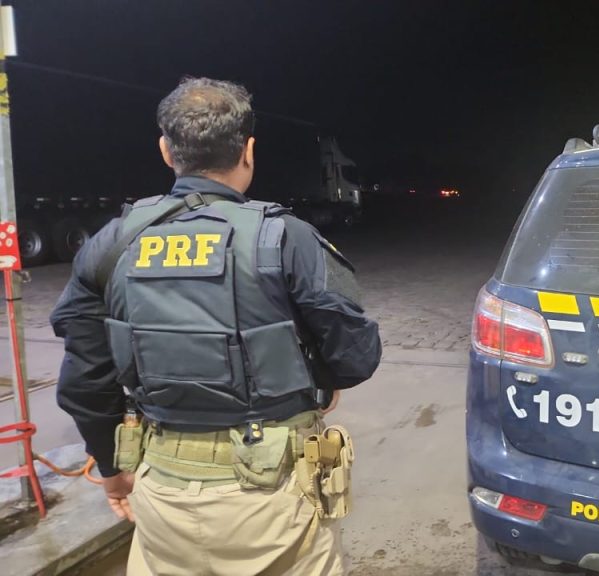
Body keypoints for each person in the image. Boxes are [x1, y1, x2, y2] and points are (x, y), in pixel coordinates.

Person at [51, 77, 381, 575]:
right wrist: (319, 377)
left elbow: (84, 381)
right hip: (274, 499)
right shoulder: (287, 237)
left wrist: (111, 467)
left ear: (167, 151)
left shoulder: (112, 243)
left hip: (161, 492)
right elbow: (355, 356)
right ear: (248, 151)